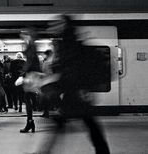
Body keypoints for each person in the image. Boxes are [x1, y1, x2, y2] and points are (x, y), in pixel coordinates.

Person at [37, 15, 110, 154]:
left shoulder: (68, 44)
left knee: (70, 123)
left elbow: (70, 69)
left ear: (63, 25)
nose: (51, 27)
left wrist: (52, 81)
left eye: (55, 25)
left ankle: (44, 151)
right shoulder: (69, 41)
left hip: (76, 92)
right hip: (76, 91)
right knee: (88, 124)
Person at [18, 28, 41, 133]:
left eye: (24, 35)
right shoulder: (31, 45)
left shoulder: (31, 45)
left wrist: (22, 75)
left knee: (27, 98)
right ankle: (30, 122)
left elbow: (30, 61)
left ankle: (30, 122)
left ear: (29, 35)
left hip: (31, 75)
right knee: (29, 98)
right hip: (33, 74)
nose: (22, 37)